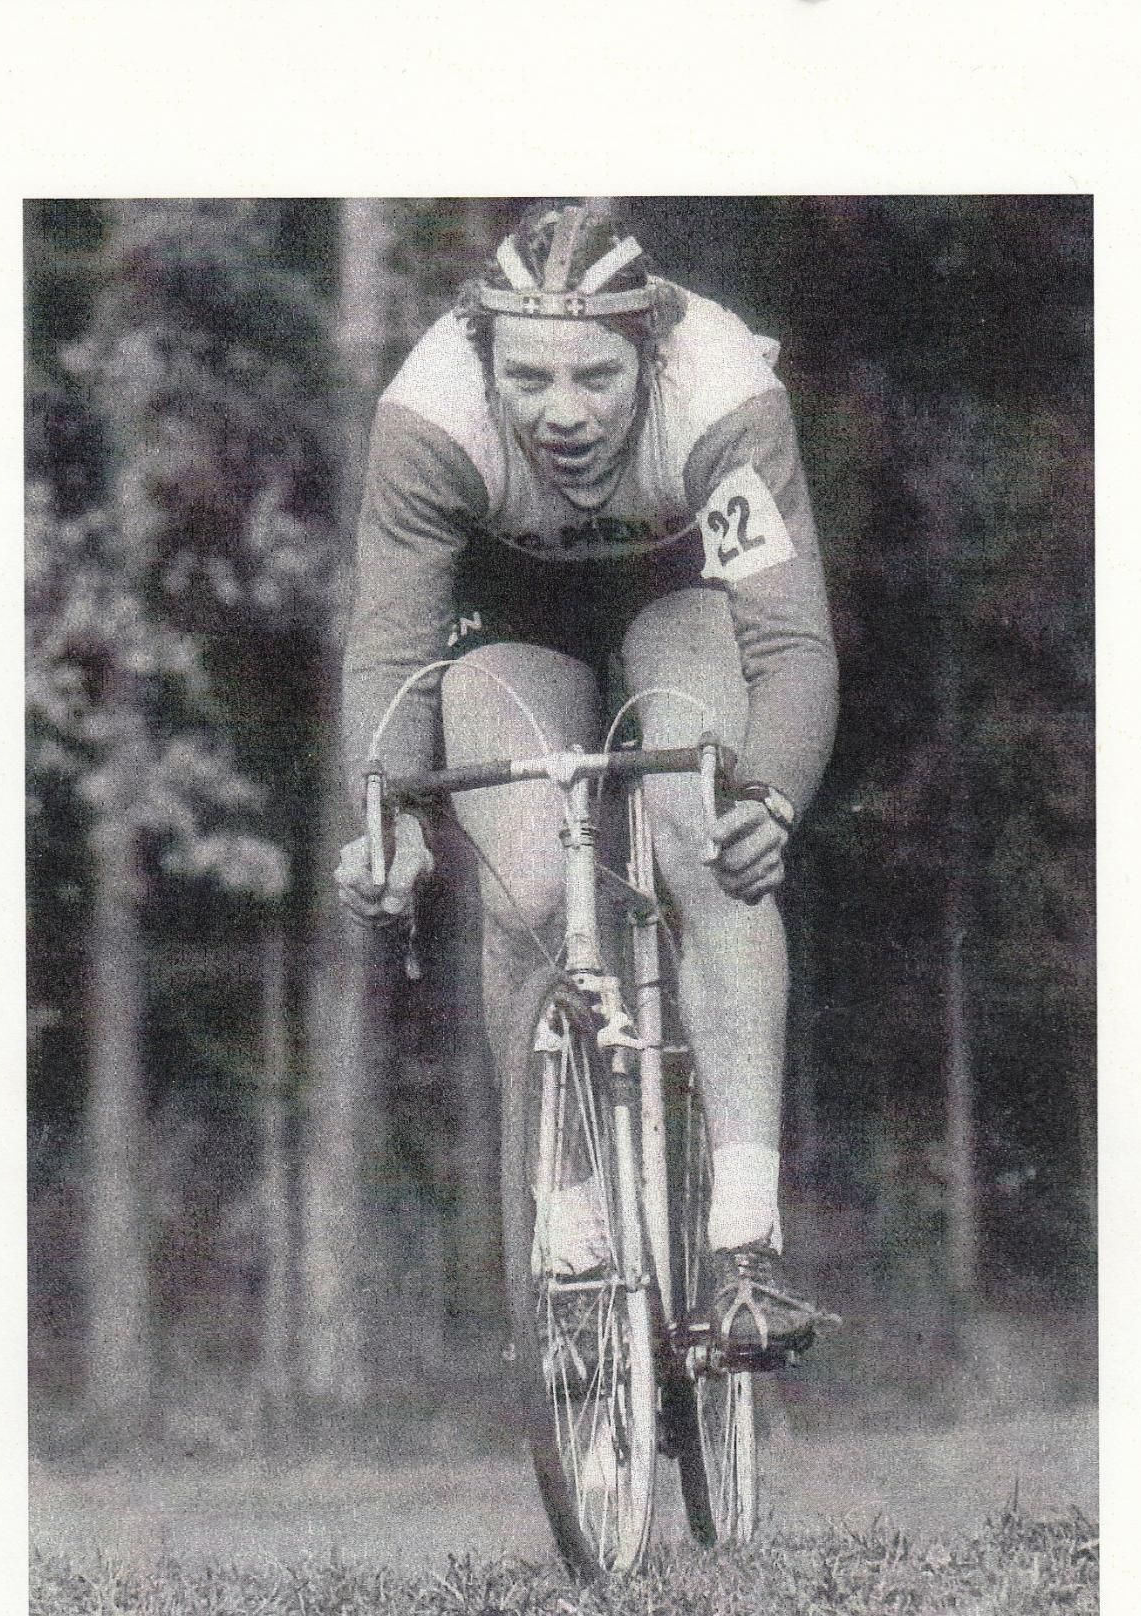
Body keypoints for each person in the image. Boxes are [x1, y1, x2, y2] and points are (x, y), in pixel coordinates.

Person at [335, 200, 838, 1361]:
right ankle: (565, 1241)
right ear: (483, 361)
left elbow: (791, 645)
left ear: (650, 352)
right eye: (529, 378)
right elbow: (391, 651)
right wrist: (386, 816)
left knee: (702, 829)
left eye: (596, 377)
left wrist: (770, 800)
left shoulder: (721, 394)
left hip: (680, 584)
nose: (562, 413)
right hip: (511, 602)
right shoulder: (429, 418)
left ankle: (746, 1244)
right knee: (522, 890)